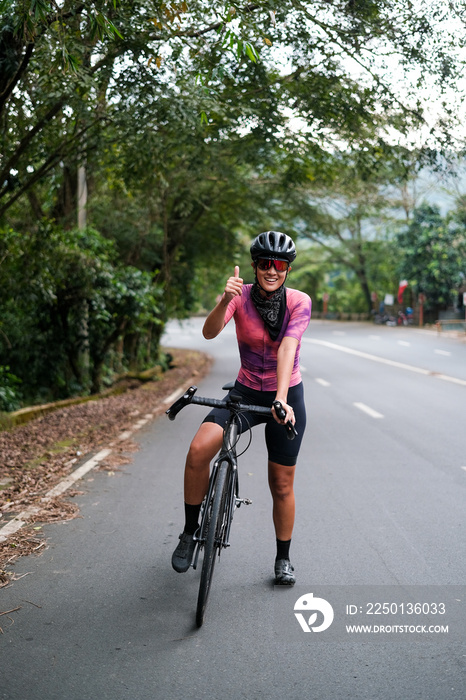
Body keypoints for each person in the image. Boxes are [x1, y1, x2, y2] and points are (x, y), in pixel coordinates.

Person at [171, 231, 312, 585]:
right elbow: (209, 333)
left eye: (279, 264)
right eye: (265, 263)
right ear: (254, 266)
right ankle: (189, 533)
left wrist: (281, 398)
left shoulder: (299, 302)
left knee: (281, 484)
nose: (272, 270)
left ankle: (283, 558)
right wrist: (223, 300)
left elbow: (287, 348)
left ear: (288, 269)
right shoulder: (240, 295)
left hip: (286, 394)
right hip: (245, 391)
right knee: (198, 450)